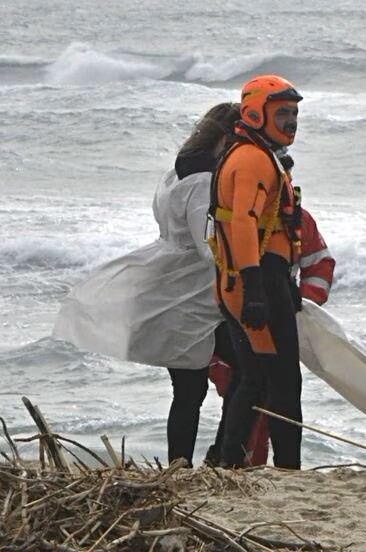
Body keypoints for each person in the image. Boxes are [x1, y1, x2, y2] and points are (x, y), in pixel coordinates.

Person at [52, 102, 240, 468]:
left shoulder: (176, 173)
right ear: (226, 138)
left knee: (194, 386)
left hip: (171, 283)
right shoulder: (203, 181)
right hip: (192, 293)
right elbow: (207, 249)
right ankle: (202, 460)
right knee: (213, 381)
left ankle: (191, 462)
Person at [209, 74, 305, 469]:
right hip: (255, 279)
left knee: (255, 377)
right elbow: (245, 222)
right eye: (282, 113)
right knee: (283, 382)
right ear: (254, 113)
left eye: (295, 114)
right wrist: (256, 290)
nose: (291, 122)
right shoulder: (252, 159)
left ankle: (229, 460)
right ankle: (288, 470)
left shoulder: (254, 154)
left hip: (252, 279)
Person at [207, 201, 335, 466]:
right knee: (246, 390)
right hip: (232, 322)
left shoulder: (297, 220)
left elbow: (320, 265)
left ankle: (269, 467)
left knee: (270, 395)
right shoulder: (233, 217)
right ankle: (234, 463)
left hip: (274, 316)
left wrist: (300, 304)